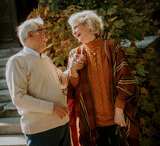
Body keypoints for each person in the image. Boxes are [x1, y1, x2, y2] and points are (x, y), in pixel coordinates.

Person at [6, 17, 84, 146]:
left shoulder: (46, 59)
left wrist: (73, 68)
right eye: (44, 32)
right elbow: (18, 98)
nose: (47, 36)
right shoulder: (17, 61)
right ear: (30, 34)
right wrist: (51, 108)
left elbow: (62, 81)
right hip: (41, 131)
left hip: (62, 125)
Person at [67, 10, 139, 146]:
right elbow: (73, 90)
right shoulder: (75, 54)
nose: (73, 32)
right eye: (72, 29)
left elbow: (126, 80)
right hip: (92, 125)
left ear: (89, 25)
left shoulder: (111, 47)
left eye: (76, 27)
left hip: (117, 119)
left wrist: (119, 109)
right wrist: (73, 70)